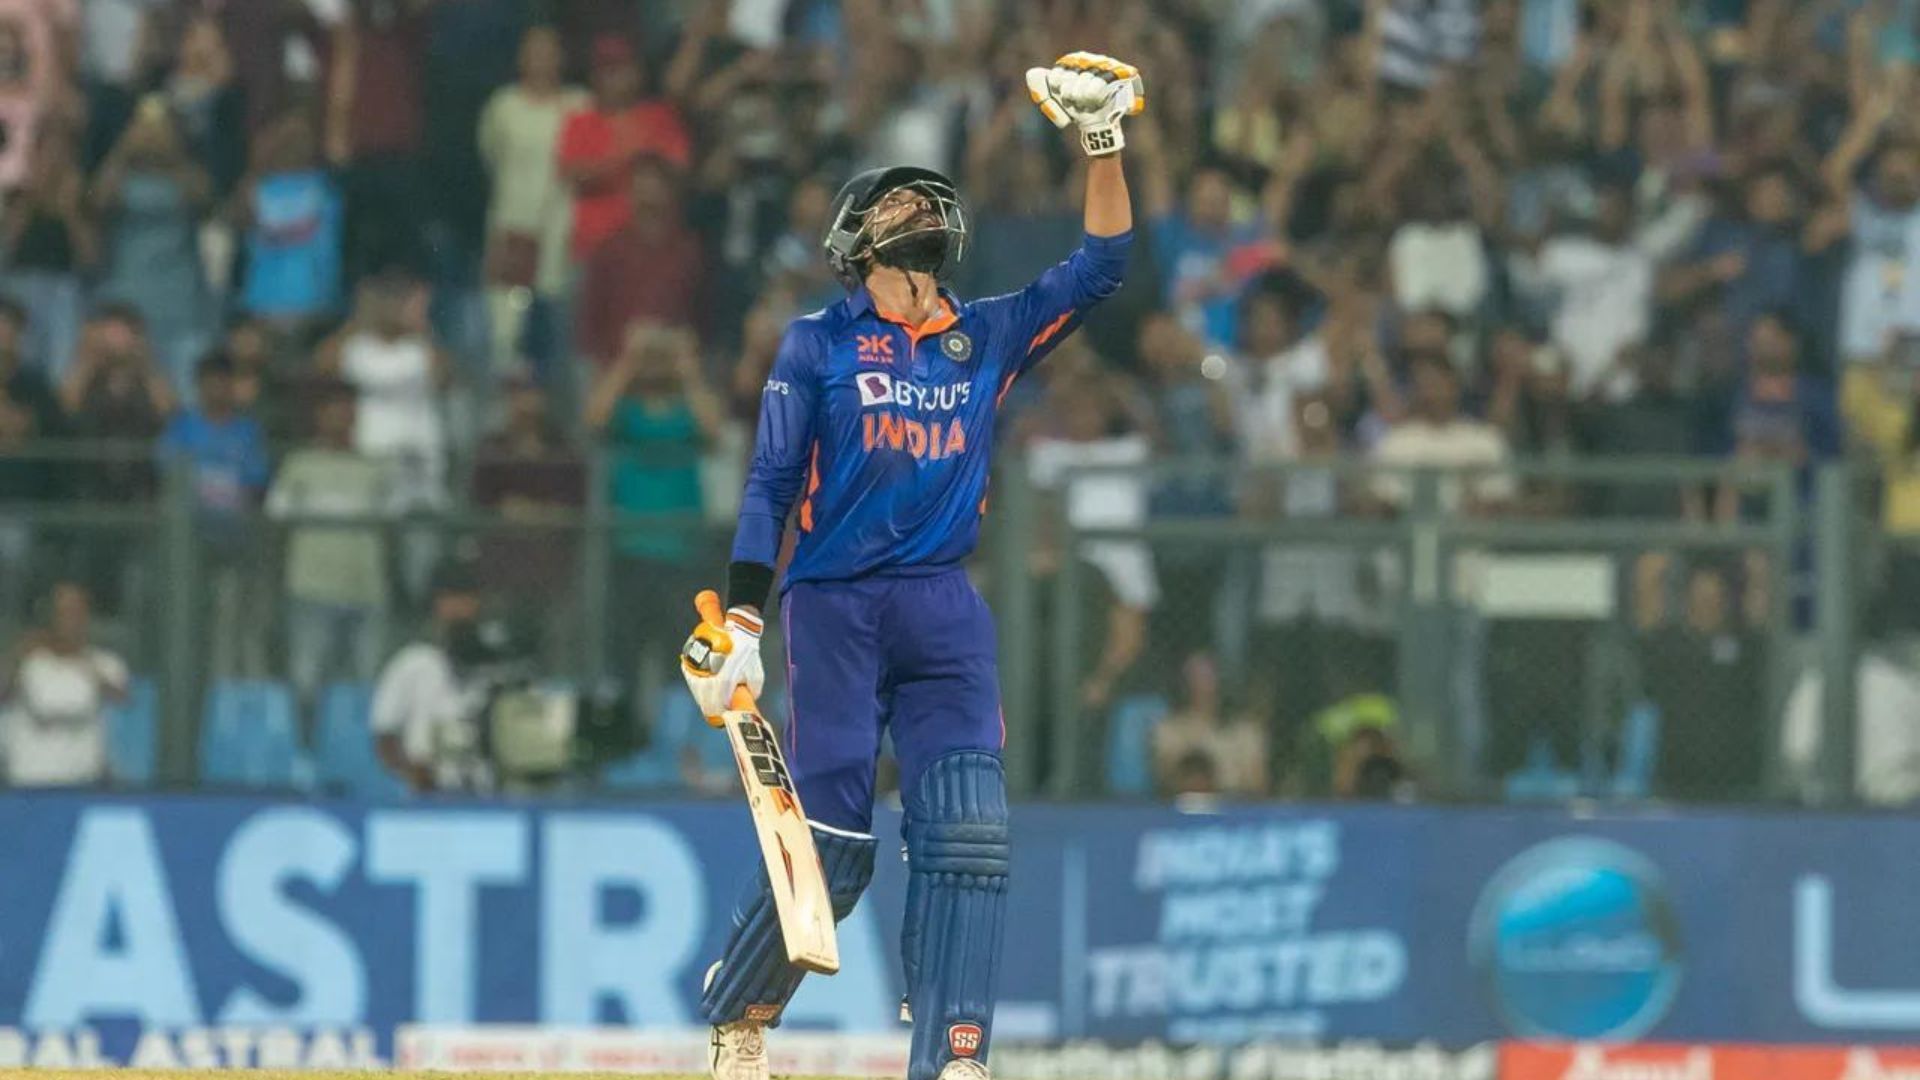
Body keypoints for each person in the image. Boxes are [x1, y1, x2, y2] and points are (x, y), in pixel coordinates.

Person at [679, 52, 1141, 1080]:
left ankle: (954, 1059)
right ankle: (740, 1018)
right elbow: (767, 486)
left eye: (922, 197)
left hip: (945, 610)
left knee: (969, 841)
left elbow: (1104, 263)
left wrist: (1101, 141)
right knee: (834, 860)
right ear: (853, 241)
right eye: (890, 203)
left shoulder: (989, 334)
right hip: (834, 611)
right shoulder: (815, 345)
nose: (917, 206)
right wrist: (744, 625)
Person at [267, 380, 393, 714]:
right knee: (306, 683)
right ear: (319, 416)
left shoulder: (375, 466)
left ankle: (365, 761)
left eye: (348, 408)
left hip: (366, 589)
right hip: (311, 588)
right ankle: (306, 761)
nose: (341, 416)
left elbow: (393, 518)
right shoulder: (299, 464)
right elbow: (276, 515)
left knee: (370, 689)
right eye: (333, 408)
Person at [478, 25, 586, 377]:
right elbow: (491, 157)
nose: (542, 59)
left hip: (563, 228)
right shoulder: (503, 105)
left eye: (549, 50)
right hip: (512, 225)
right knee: (508, 327)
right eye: (533, 50)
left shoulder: (579, 104)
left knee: (561, 323)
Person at [370, 561, 487, 794]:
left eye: (465, 598)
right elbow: (384, 736)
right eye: (450, 598)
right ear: (436, 603)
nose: (458, 607)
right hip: (425, 791)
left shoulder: (495, 663)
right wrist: (411, 773)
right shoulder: (411, 662)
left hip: (485, 791)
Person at [0, 580, 129, 787]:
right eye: (63, 613)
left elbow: (122, 697)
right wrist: (19, 655)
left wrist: (81, 659)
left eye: (77, 613)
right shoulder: (27, 663)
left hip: (83, 783)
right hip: (28, 784)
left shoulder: (103, 663)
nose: (70, 622)